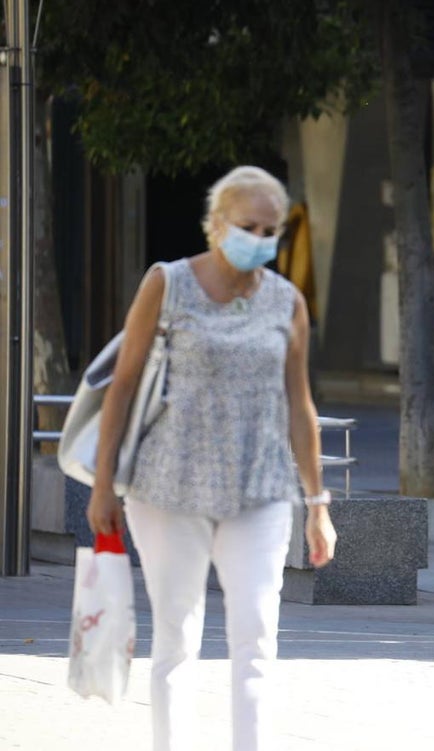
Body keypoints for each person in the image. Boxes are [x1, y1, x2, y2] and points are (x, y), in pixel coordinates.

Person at [86, 165, 337, 750]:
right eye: (249, 225)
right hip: (168, 490)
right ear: (216, 225)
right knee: (176, 640)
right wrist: (103, 485)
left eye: (271, 229)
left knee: (255, 639)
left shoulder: (287, 301)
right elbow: (120, 387)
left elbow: (299, 406)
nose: (261, 239)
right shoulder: (167, 284)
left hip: (262, 490)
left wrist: (318, 503)